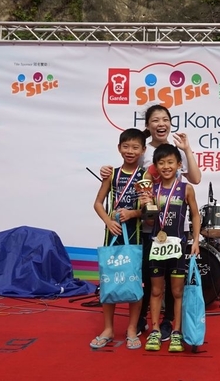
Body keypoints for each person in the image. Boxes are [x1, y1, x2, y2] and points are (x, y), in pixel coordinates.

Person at [99, 104, 202, 342]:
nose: (160, 124)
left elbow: (195, 179)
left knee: (172, 281)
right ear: (148, 125)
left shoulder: (176, 152)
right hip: (146, 228)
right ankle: (143, 321)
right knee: (148, 276)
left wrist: (187, 149)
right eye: (155, 120)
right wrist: (107, 171)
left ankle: (168, 323)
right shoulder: (142, 152)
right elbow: (125, 174)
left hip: (174, 230)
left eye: (165, 119)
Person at [89, 128, 151, 350]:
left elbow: (149, 210)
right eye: (126, 146)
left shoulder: (145, 176)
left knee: (134, 281)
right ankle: (108, 328)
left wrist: (133, 213)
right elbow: (98, 202)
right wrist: (108, 221)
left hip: (135, 235)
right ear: (119, 148)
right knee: (109, 280)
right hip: (112, 235)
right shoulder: (112, 174)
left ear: (143, 150)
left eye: (135, 147)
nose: (130, 151)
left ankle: (132, 328)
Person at [141, 143, 201, 352]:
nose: (166, 166)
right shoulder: (152, 190)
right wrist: (146, 205)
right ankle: (155, 330)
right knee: (156, 291)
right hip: (156, 246)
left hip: (178, 246)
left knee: (177, 292)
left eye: (170, 162)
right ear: (155, 167)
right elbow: (149, 222)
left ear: (178, 165)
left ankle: (176, 331)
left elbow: (195, 215)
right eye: (161, 163)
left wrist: (195, 241)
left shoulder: (186, 188)